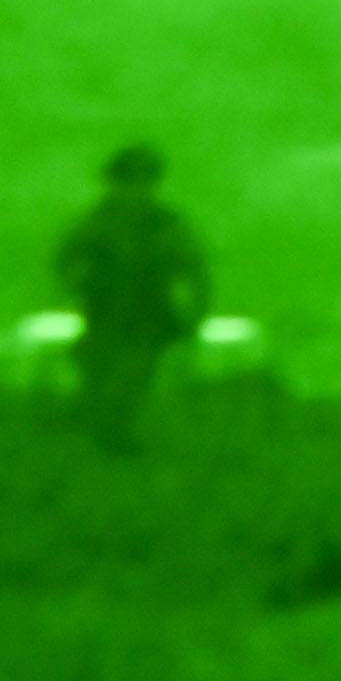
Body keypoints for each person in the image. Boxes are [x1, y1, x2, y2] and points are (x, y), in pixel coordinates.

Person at [51, 144, 212, 453]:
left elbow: (193, 266)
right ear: (115, 183)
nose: (137, 190)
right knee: (99, 370)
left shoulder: (165, 224)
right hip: (104, 310)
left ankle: (112, 432)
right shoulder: (99, 221)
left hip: (149, 314)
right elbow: (67, 257)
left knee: (135, 373)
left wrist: (198, 309)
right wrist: (75, 284)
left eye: (144, 181)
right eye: (129, 181)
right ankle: (96, 423)